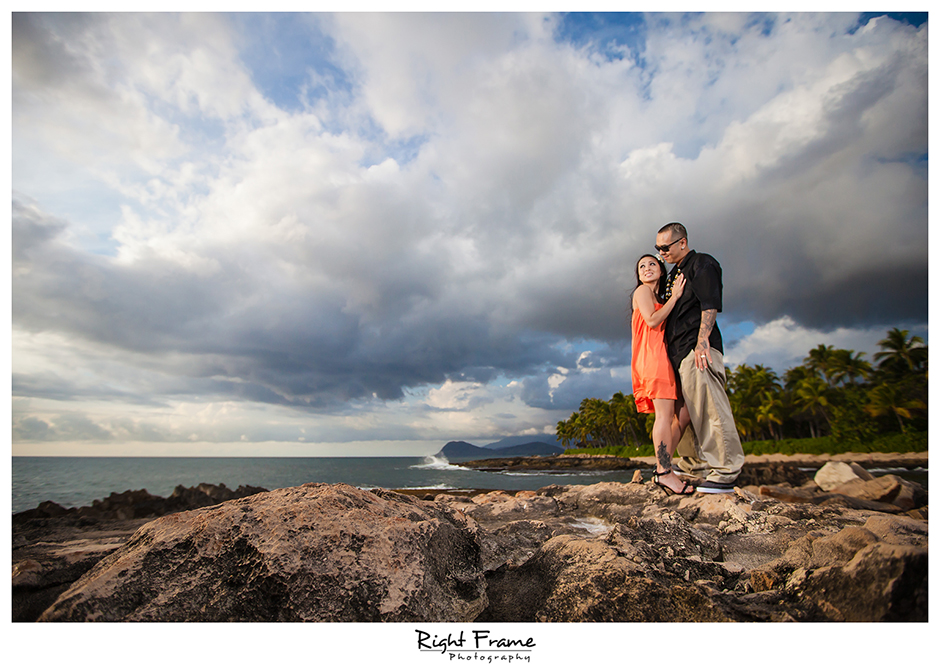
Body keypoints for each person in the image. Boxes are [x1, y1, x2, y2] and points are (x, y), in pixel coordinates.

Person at [654, 221, 744, 493]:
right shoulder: (673, 275)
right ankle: (695, 464)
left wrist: (702, 341)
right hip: (677, 354)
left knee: (709, 408)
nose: (661, 254)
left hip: (697, 350)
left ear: (682, 242)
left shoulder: (701, 263)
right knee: (687, 412)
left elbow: (709, 302)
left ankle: (726, 469)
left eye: (665, 247)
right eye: (657, 249)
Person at [631, 253, 694, 495]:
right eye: (641, 266)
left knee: (684, 414)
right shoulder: (642, 292)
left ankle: (662, 467)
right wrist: (676, 297)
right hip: (651, 358)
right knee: (665, 417)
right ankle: (665, 472)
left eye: (652, 264)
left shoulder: (658, 296)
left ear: (661, 269)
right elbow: (653, 320)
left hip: (662, 357)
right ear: (638, 275)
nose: (646, 268)